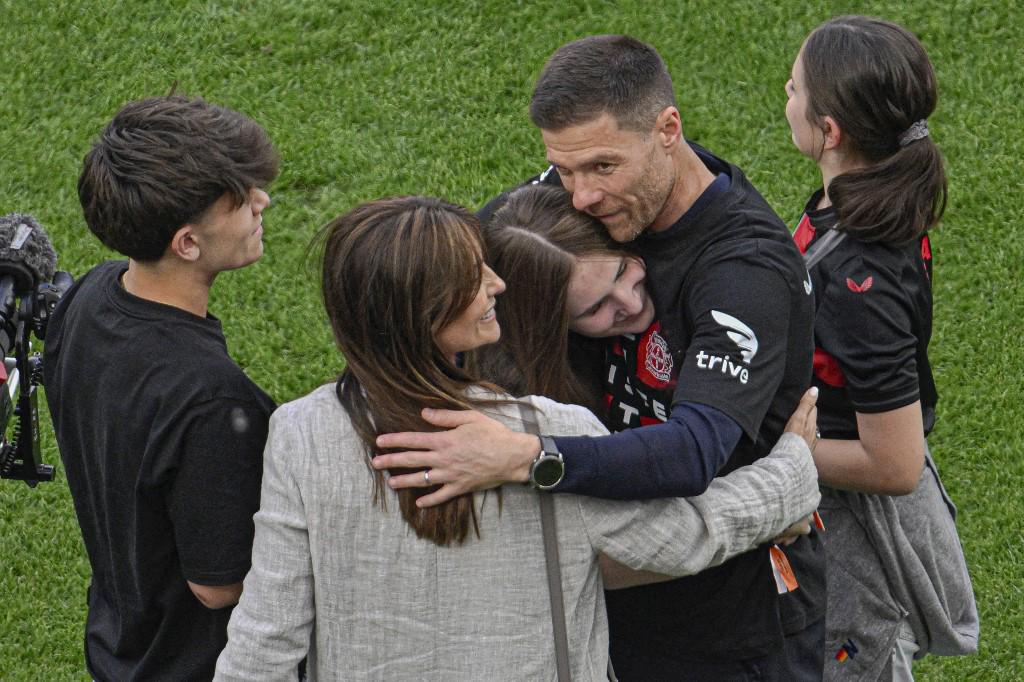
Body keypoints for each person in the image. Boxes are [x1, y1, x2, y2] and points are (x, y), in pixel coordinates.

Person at [213, 196, 822, 680]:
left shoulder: (300, 433)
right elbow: (688, 535)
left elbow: (267, 635)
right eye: (472, 279)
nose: (497, 284)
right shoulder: (550, 433)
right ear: (425, 316)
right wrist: (791, 470)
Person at [375, 35, 825, 680]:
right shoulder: (565, 207)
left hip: (728, 626)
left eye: (602, 168)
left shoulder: (741, 267)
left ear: (667, 129)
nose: (579, 197)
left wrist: (527, 458)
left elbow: (694, 451)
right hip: (596, 607)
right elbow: (436, 316)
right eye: (563, 170)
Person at [44, 96, 279, 681]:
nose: (263, 201)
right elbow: (218, 586)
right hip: (193, 665)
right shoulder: (210, 400)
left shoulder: (93, 295)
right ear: (188, 244)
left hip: (122, 641)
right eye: (242, 199)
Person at [784, 16, 978, 679]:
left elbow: (894, 463)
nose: (786, 101)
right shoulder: (864, 201)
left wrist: (782, 451)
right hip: (835, 496)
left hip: (856, 519)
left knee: (856, 659)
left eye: (792, 90)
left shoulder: (858, 281)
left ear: (830, 132)